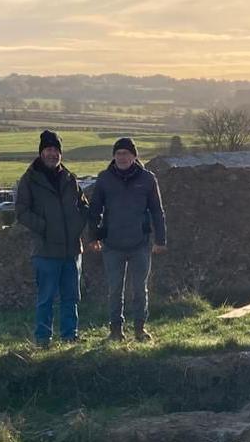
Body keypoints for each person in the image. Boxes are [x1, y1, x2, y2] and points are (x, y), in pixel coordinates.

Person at [15, 130, 90, 346]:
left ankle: (70, 336)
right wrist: (45, 228)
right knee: (46, 299)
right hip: (46, 250)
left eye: (56, 150)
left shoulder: (69, 178)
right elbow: (21, 212)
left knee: (71, 298)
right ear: (41, 152)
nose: (52, 154)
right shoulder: (29, 180)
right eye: (48, 150)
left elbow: (83, 205)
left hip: (71, 250)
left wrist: (77, 225)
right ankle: (43, 339)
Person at [88, 137, 167, 341]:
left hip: (140, 244)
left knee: (140, 289)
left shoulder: (148, 179)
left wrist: (161, 240)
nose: (122, 157)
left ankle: (140, 329)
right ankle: (116, 331)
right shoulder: (104, 178)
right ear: (114, 156)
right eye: (118, 154)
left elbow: (157, 211)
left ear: (134, 156)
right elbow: (95, 209)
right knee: (115, 290)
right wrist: (94, 237)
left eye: (126, 153)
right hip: (112, 245)